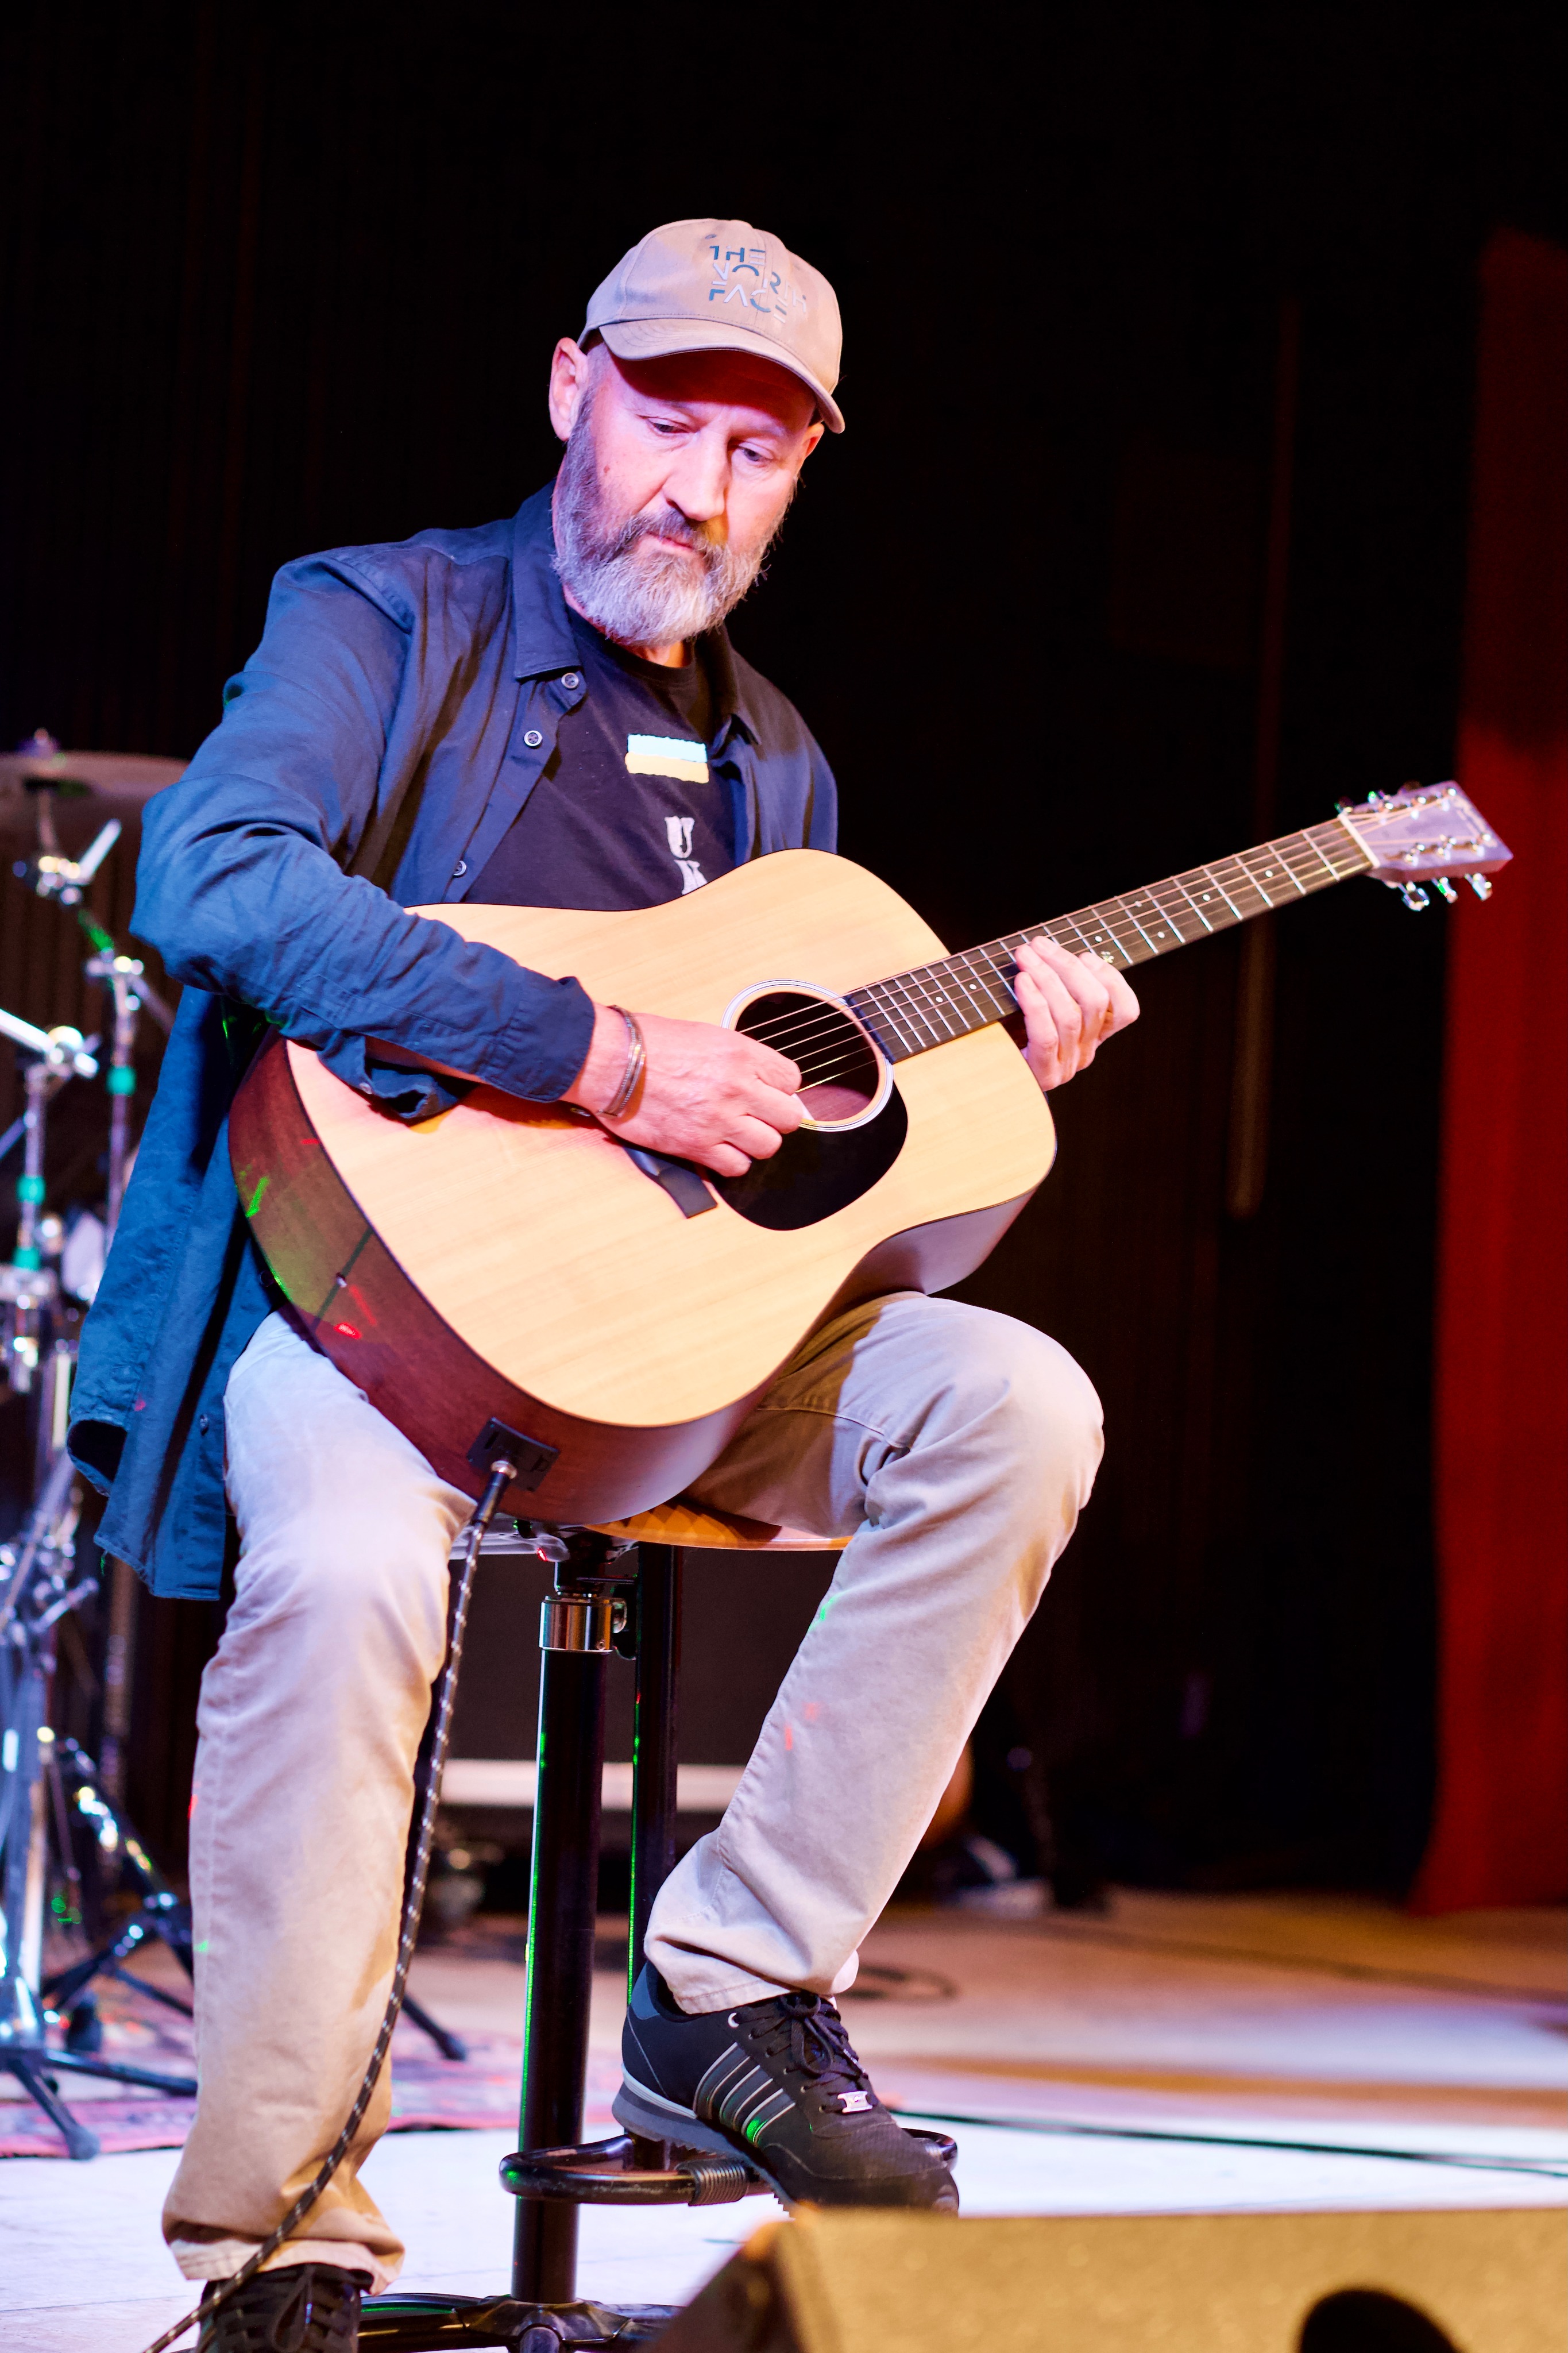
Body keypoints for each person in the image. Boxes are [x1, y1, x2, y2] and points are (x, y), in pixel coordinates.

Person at [69, 218, 1138, 2348]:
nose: (700, 491)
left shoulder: (780, 762)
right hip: (361, 1309)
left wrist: (977, 1063)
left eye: (760, 452)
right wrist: (598, 1052)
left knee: (1017, 1401)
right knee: (347, 1578)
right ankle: (281, 2251)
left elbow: (787, 1147)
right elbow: (212, 877)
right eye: (668, 421)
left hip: (665, 1355)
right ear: (572, 388)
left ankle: (729, 1984)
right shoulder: (382, 618)